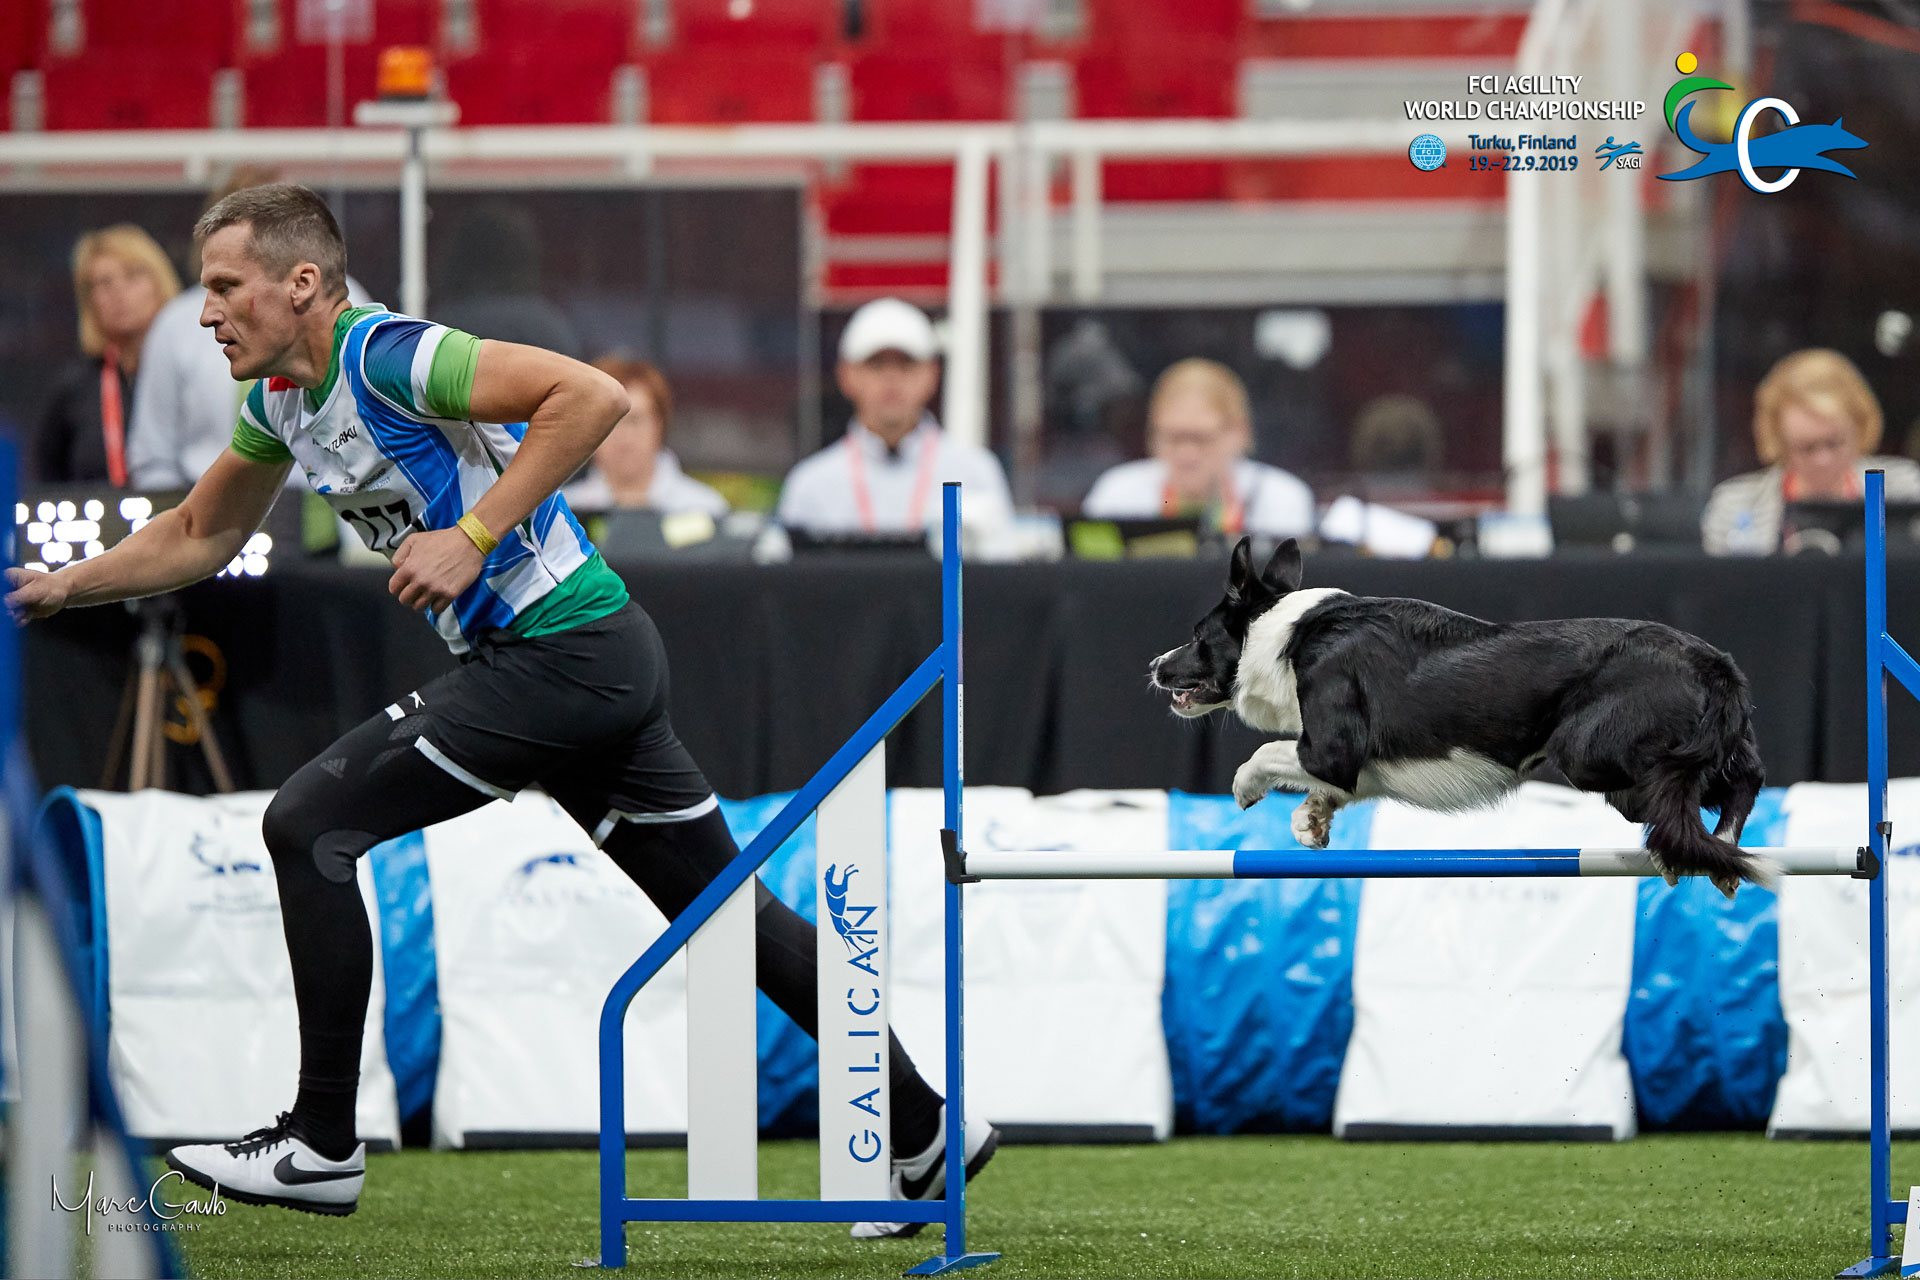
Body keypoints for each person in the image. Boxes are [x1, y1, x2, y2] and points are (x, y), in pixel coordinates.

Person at [4, 184, 993, 1235]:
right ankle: (927, 1128)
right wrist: (66, 585)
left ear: (302, 284)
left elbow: (592, 397)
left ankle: (322, 1141)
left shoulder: (392, 356)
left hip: (563, 657)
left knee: (307, 823)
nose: (204, 313)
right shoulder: (280, 402)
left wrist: (470, 537)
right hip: (583, 661)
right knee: (726, 916)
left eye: (223, 287)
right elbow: (201, 531)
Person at [131, 167, 375, 491]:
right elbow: (154, 457)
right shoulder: (177, 324)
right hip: (209, 504)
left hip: (332, 508)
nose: (209, 318)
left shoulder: (350, 306)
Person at [777, 297, 1014, 544]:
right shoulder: (811, 484)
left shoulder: (974, 473)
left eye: (906, 364)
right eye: (876, 365)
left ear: (932, 375)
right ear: (846, 375)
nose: (891, 379)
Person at [1702, 348, 1920, 555]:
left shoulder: (1905, 490)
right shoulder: (1736, 506)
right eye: (1806, 447)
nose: (1822, 459)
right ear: (1779, 442)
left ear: (1860, 430)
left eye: (1834, 443)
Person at [1080, 358, 1314, 539]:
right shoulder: (1117, 496)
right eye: (1173, 438)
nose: (1187, 454)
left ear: (1241, 434)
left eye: (1201, 438)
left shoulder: (1281, 500)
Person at [34, 225, 180, 485]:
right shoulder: (74, 389)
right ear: (89, 301)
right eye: (104, 283)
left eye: (132, 276)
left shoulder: (193, 371)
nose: (118, 292)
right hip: (104, 510)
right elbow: (48, 479)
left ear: (160, 283)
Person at [561, 357, 728, 515]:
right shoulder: (563, 513)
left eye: (635, 420)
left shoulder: (704, 508)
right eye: (611, 422)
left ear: (659, 425)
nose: (624, 436)